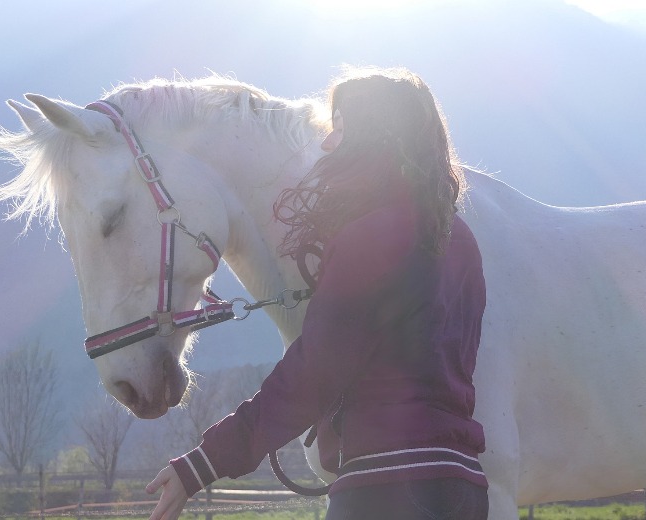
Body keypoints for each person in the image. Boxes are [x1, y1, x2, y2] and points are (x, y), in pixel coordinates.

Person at [146, 66, 488, 520]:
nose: (327, 144)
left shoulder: (367, 238)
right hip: (463, 486)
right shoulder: (460, 239)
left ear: (376, 135)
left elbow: (314, 371)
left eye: (341, 129)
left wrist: (203, 464)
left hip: (385, 488)